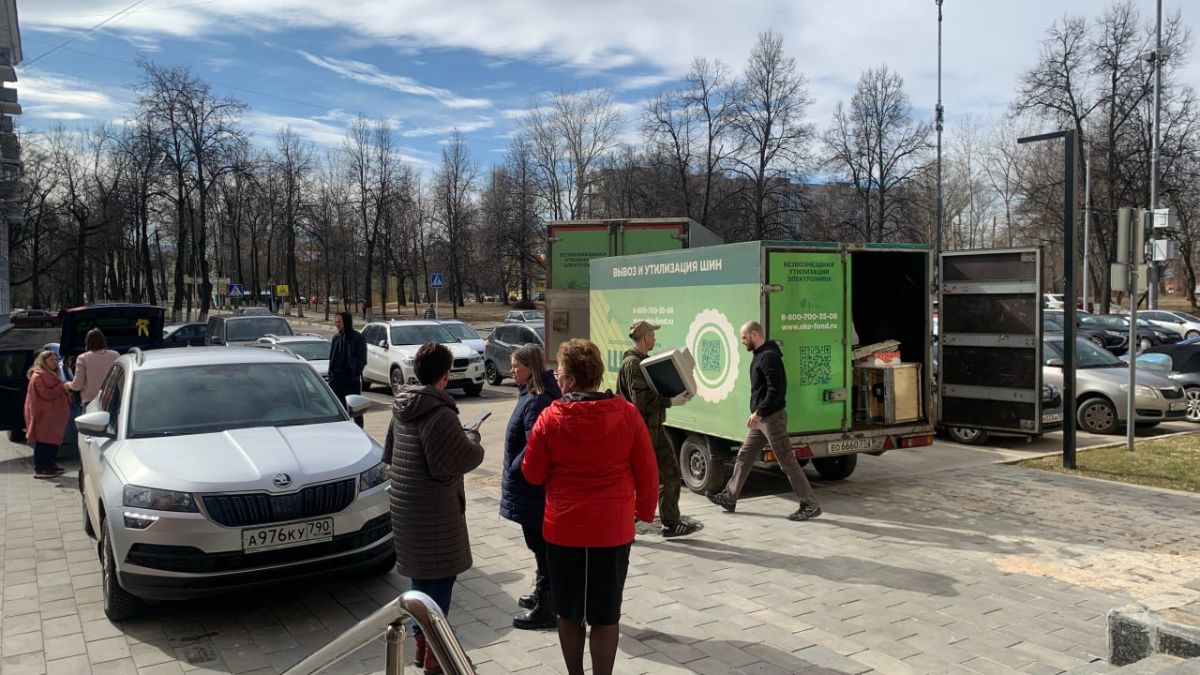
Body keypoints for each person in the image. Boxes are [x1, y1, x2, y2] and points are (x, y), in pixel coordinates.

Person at [523, 338, 658, 675]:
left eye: (560, 372)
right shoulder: (627, 414)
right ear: (597, 374)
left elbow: (532, 472)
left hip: (564, 529)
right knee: (606, 614)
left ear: (568, 378)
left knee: (568, 612)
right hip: (612, 530)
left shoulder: (549, 418)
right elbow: (648, 470)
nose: (556, 376)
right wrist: (644, 513)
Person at [386, 342, 485, 674]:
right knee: (441, 581)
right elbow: (455, 461)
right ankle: (433, 654)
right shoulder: (439, 412)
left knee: (420, 580)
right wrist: (471, 438)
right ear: (445, 375)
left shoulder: (402, 405)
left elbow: (390, 453)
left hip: (406, 509)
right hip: (435, 514)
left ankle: (420, 645)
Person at [707, 321, 822, 521]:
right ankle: (730, 497)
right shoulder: (760, 355)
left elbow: (777, 390)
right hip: (761, 420)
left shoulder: (769, 358)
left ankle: (810, 505)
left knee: (787, 462)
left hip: (771, 419)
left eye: (744, 338)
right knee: (744, 455)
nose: (743, 342)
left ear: (755, 334)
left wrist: (759, 411)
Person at [618, 320, 701, 538]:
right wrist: (670, 401)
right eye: (652, 335)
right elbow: (642, 401)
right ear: (645, 337)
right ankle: (629, 524)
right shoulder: (633, 364)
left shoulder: (642, 361)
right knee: (647, 477)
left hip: (652, 428)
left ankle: (670, 522)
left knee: (667, 473)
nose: (654, 339)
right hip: (643, 430)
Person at [500, 345, 561, 630]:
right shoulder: (528, 395)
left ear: (530, 368)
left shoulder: (536, 401)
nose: (512, 371)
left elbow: (534, 447)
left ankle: (547, 606)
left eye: (516, 366)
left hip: (532, 488)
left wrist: (514, 468)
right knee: (538, 547)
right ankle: (543, 594)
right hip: (530, 488)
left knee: (542, 546)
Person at [24, 350, 71, 480]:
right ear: (43, 362)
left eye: (56, 360)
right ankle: (40, 469)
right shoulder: (38, 376)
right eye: (51, 360)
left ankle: (50, 466)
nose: (55, 363)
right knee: (43, 443)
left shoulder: (53, 374)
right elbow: (46, 394)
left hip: (53, 416)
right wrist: (63, 388)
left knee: (53, 442)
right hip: (43, 415)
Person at [328, 311, 367, 428]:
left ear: (347, 322)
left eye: (339, 322)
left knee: (356, 410)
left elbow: (362, 360)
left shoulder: (358, 338)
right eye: (336, 322)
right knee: (337, 409)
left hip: (351, 380)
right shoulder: (336, 338)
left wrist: (356, 372)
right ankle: (342, 429)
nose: (337, 324)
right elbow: (332, 357)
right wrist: (331, 374)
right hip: (336, 380)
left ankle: (360, 430)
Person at [68, 328, 119, 406]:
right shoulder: (115, 355)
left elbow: (77, 386)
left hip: (91, 401)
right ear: (103, 340)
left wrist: (68, 384)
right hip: (112, 400)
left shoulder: (83, 358)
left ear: (87, 342)